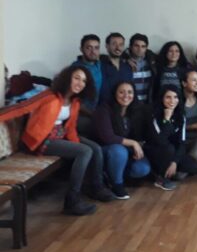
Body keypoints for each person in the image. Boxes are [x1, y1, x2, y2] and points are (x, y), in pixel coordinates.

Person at [0, 65, 114, 215]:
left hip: (60, 134)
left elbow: (71, 127)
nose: (80, 83)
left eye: (84, 81)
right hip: (41, 140)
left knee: (95, 148)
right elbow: (22, 107)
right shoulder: (49, 95)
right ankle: (72, 201)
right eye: (77, 78)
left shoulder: (75, 101)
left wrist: (75, 144)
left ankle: (96, 188)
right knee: (85, 152)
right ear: (67, 78)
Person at [93, 81, 151, 199]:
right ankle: (117, 184)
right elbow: (107, 137)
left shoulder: (136, 109)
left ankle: (112, 175)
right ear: (115, 93)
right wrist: (133, 143)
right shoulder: (104, 109)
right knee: (119, 151)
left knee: (142, 169)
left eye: (130, 92)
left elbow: (140, 136)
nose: (126, 96)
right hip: (105, 149)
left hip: (127, 150)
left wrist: (138, 145)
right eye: (121, 92)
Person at [143, 86, 197, 190]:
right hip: (155, 150)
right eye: (168, 97)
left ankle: (171, 171)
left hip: (171, 151)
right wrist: (166, 119)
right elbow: (160, 140)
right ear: (162, 99)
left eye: (175, 97)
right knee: (168, 148)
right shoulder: (154, 115)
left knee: (193, 166)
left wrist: (174, 162)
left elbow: (182, 143)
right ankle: (161, 178)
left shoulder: (181, 116)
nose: (172, 101)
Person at [100, 32, 133, 104]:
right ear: (107, 46)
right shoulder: (100, 66)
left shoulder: (127, 67)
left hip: (124, 106)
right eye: (114, 44)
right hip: (105, 107)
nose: (118, 47)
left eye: (121, 44)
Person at [123, 33, 156, 104]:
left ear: (146, 48)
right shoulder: (124, 62)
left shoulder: (152, 61)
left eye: (143, 46)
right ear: (130, 46)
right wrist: (125, 59)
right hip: (130, 102)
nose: (140, 49)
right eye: (136, 46)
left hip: (148, 102)